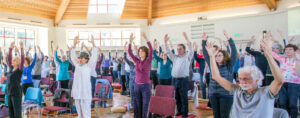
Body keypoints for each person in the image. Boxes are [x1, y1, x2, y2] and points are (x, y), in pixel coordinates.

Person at [206, 37, 284, 118]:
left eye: (247, 79)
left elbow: (279, 81)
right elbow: (216, 76)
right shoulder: (238, 90)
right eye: (241, 79)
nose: (243, 82)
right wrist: (212, 57)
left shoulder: (265, 93)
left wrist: (269, 56)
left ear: (257, 80)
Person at [202, 30, 237, 118]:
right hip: (213, 93)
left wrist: (229, 38)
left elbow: (234, 52)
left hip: (226, 94)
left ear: (224, 56)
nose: (217, 57)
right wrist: (204, 42)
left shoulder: (229, 65)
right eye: (216, 55)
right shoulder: (212, 64)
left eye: (220, 55)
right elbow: (206, 54)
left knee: (224, 115)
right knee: (216, 115)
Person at [164, 32, 193, 118]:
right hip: (175, 79)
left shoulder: (188, 56)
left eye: (180, 49)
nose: (178, 50)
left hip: (183, 80)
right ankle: (179, 111)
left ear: (184, 49)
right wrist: (165, 42)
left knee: (183, 97)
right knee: (176, 97)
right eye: (178, 49)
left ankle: (185, 113)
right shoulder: (175, 57)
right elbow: (168, 52)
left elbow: (191, 48)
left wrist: (186, 37)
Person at [70, 36, 98, 118]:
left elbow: (94, 57)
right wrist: (74, 45)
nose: (80, 59)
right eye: (80, 58)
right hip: (77, 92)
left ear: (86, 59)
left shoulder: (89, 66)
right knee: (79, 112)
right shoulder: (77, 65)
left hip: (85, 93)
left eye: (82, 58)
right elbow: (72, 57)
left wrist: (93, 44)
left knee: (86, 113)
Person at [128, 32, 153, 118]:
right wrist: (130, 41)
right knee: (137, 104)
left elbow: (151, 50)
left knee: (146, 104)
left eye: (142, 51)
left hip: (145, 86)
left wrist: (146, 39)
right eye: (140, 51)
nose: (141, 52)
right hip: (137, 85)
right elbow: (129, 52)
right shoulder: (137, 61)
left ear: (145, 53)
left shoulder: (148, 60)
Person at [273, 44, 300, 118]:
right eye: (286, 49)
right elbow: (272, 53)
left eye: (290, 49)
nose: (287, 51)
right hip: (283, 83)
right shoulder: (282, 59)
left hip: (294, 84)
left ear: (295, 51)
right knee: (283, 103)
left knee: (292, 104)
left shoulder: (297, 60)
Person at [6, 41, 25, 118]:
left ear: (17, 63)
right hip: (9, 92)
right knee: (11, 112)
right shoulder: (11, 69)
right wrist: (10, 48)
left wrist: (21, 48)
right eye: (12, 60)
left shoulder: (19, 70)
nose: (12, 61)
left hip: (16, 93)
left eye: (14, 60)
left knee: (17, 112)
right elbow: (9, 59)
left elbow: (23, 60)